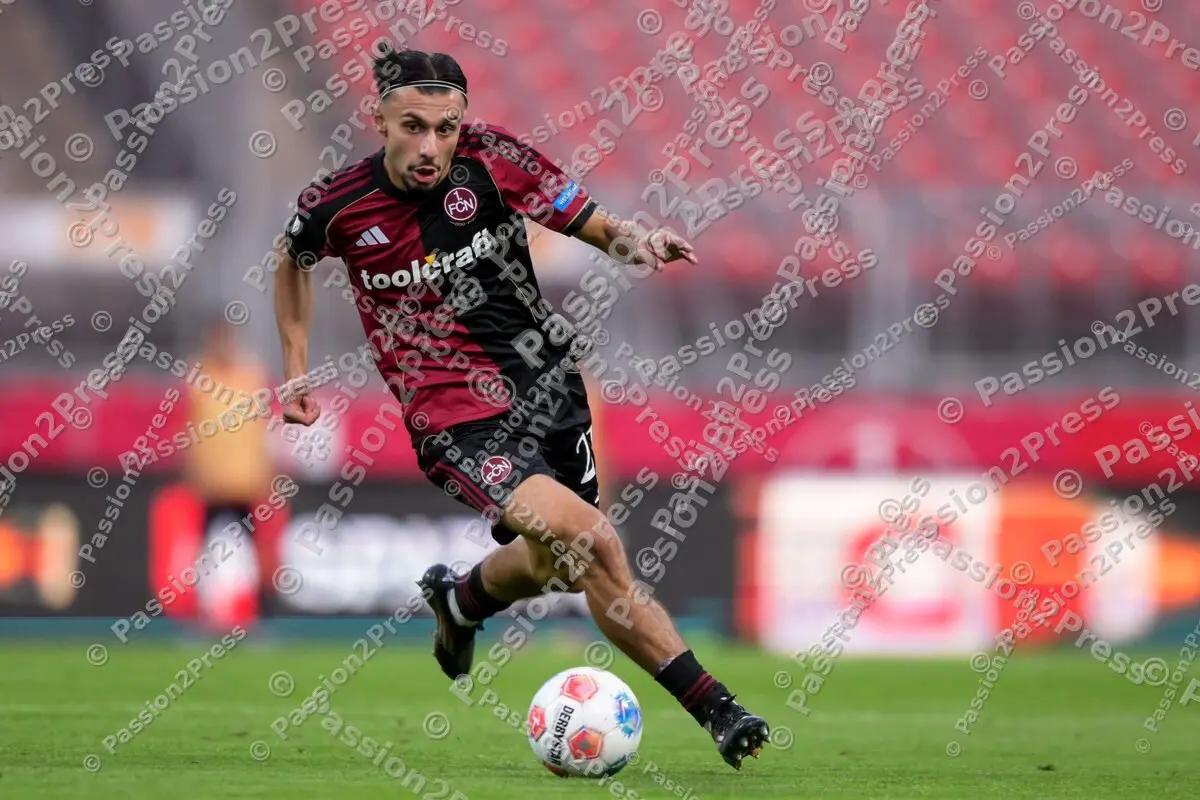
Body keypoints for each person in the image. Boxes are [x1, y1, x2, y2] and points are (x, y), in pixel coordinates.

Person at [272, 48, 770, 769]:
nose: (431, 146)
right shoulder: (338, 205)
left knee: (560, 565)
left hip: (548, 388)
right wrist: (293, 369)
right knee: (593, 540)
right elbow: (291, 261)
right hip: (454, 417)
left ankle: (463, 600)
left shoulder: (494, 160)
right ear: (378, 119)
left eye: (446, 127)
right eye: (413, 126)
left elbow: (592, 221)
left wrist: (640, 240)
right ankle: (717, 708)